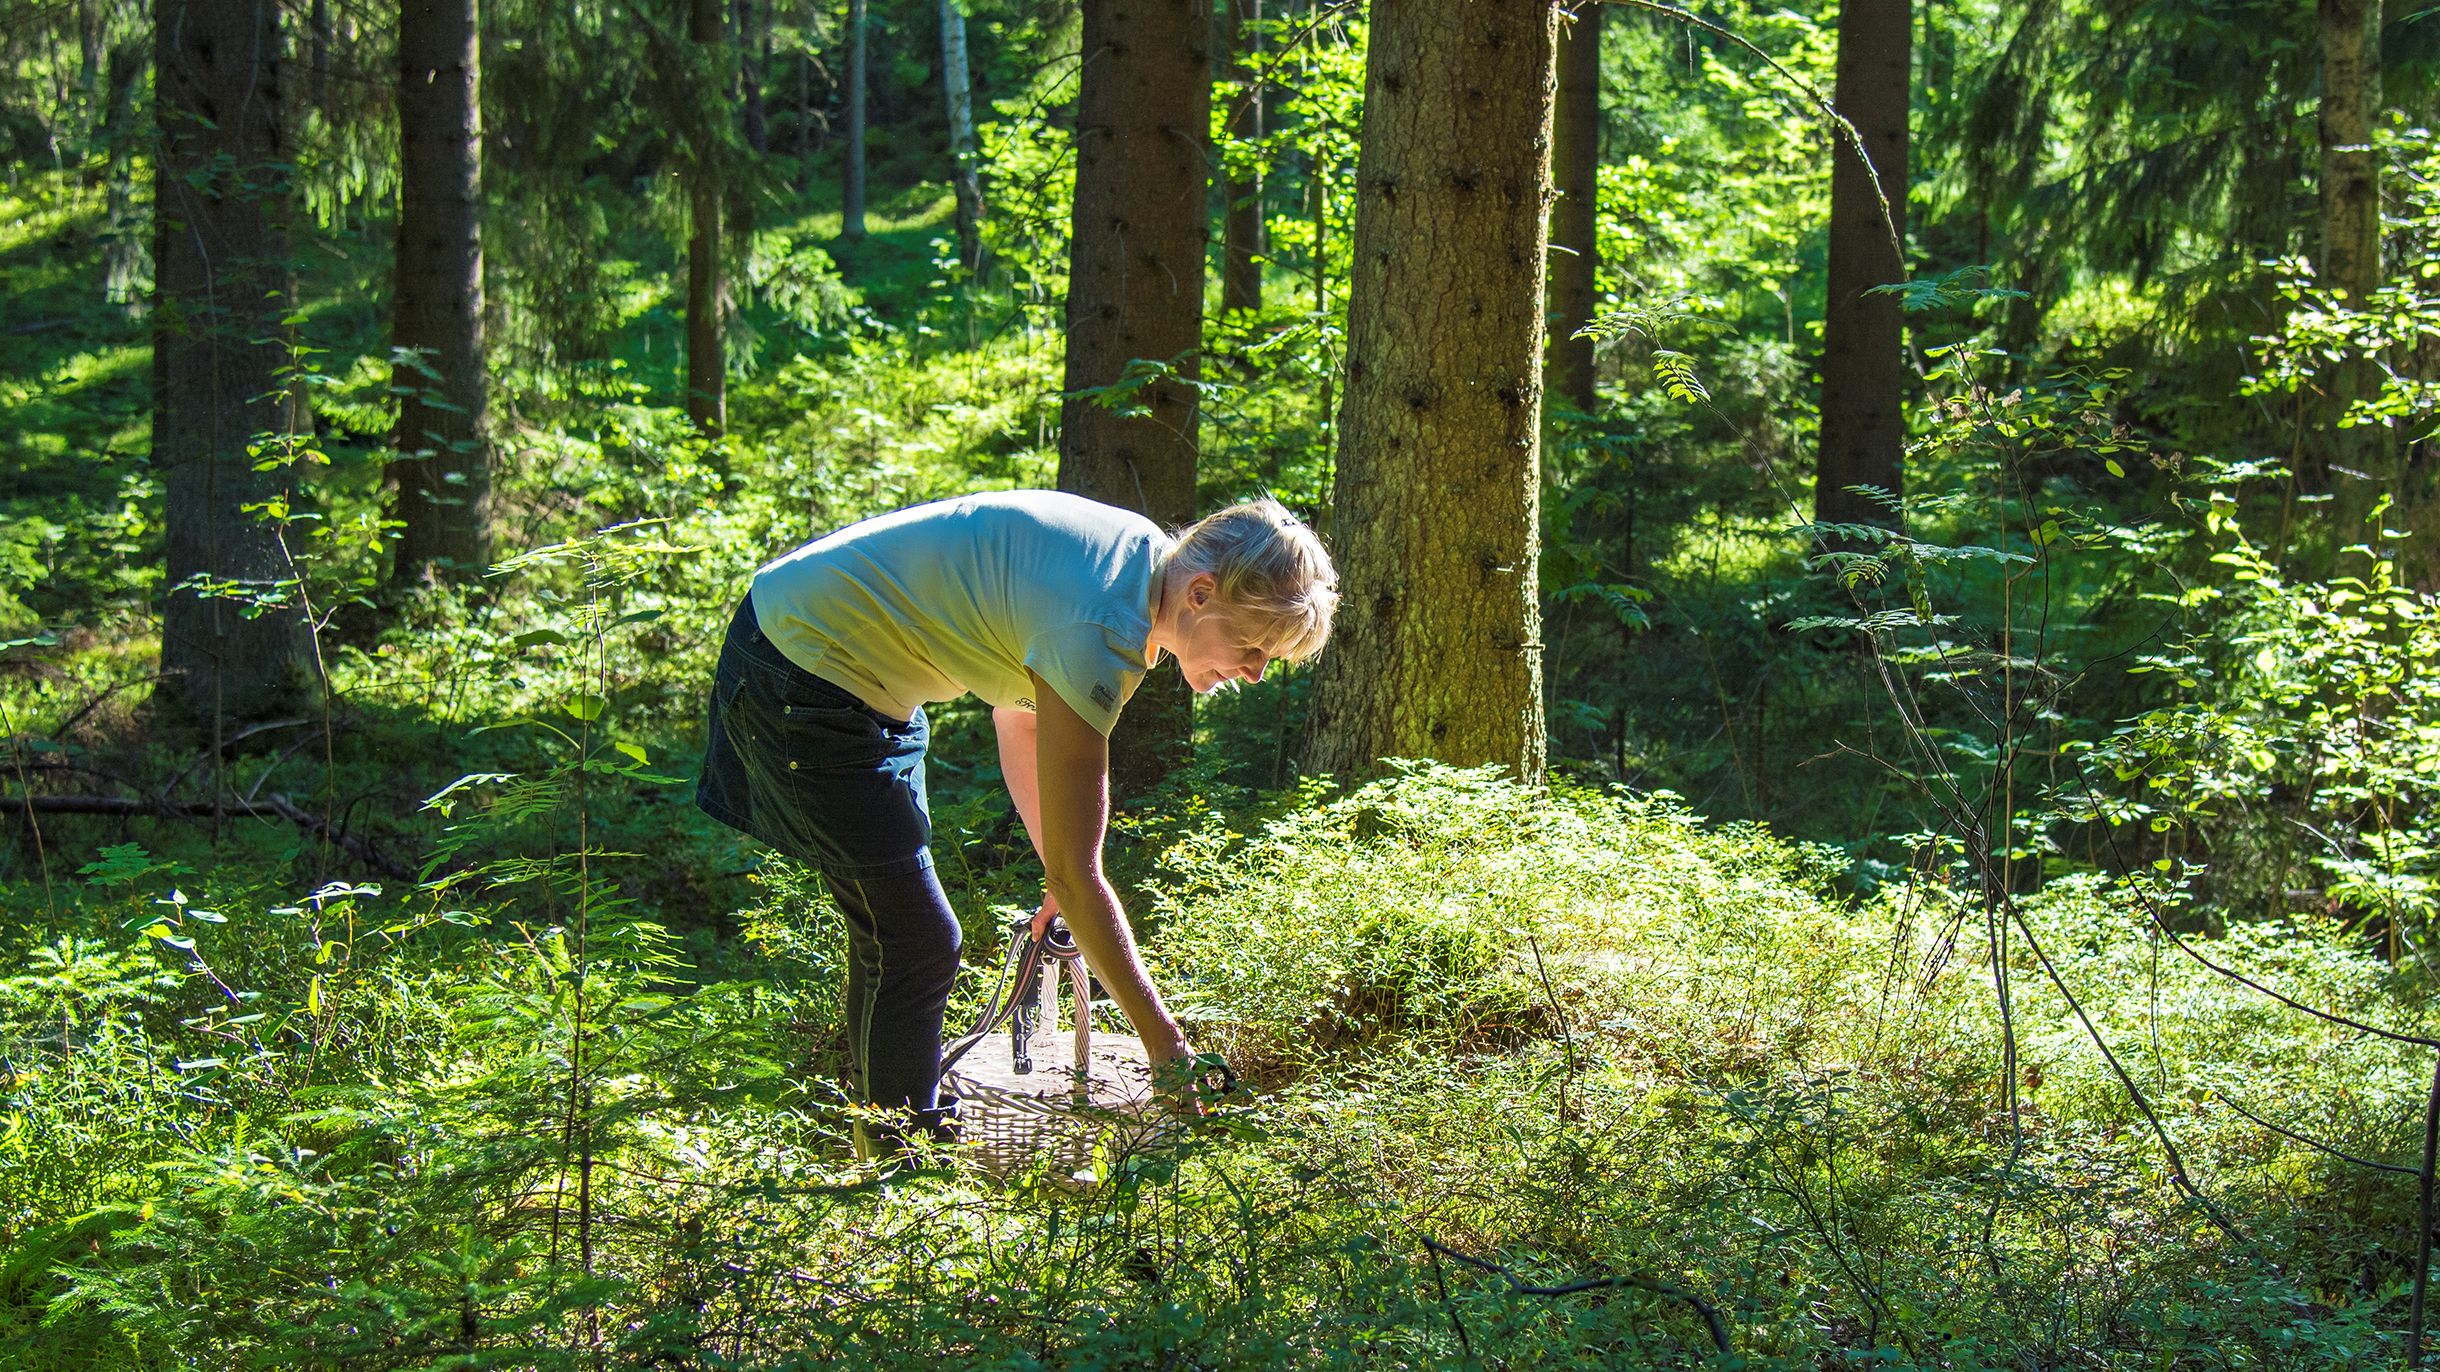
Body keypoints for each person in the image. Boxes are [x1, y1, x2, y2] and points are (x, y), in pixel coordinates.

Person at [695, 491, 1337, 1157]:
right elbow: (1078, 864)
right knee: (914, 940)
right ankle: (901, 1181)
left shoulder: (1141, 568)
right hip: (802, 670)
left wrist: (1060, 873)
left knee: (894, 935)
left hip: (853, 677)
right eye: (1253, 645)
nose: (1256, 673)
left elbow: (1022, 715)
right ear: (1202, 593)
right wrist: (1167, 1049)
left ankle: (876, 1144)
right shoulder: (1099, 627)